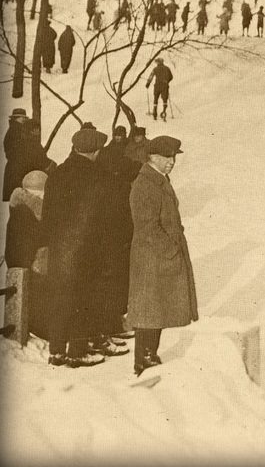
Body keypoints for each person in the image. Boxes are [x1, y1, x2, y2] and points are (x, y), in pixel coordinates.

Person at [43, 126, 117, 368]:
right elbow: (105, 219)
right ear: (95, 151)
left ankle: (56, 352)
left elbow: (47, 216)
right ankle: (77, 351)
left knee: (59, 298)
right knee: (84, 299)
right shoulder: (99, 176)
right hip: (88, 249)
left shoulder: (56, 174)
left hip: (59, 248)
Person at [129, 135, 198, 377]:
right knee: (149, 311)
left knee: (155, 310)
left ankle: (150, 355)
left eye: (173, 158)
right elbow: (147, 226)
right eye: (167, 157)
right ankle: (144, 360)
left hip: (158, 256)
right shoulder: (145, 184)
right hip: (152, 257)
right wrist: (171, 249)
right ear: (153, 157)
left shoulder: (158, 179)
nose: (171, 162)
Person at [97, 126, 141, 335]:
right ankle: (114, 324)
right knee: (115, 280)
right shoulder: (120, 181)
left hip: (113, 237)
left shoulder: (117, 156)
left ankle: (115, 322)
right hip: (115, 239)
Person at [5, 169, 47, 269]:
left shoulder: (18, 211)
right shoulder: (27, 215)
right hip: (32, 276)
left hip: (21, 272)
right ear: (40, 195)